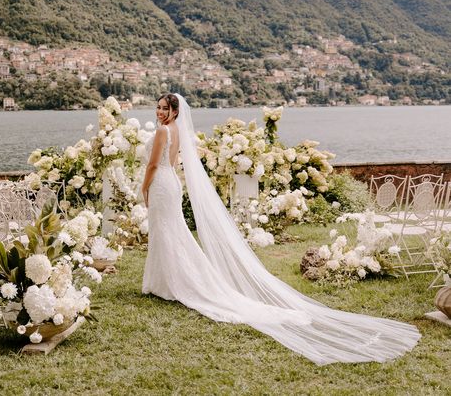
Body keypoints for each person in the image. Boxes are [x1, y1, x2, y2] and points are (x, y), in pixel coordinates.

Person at [140, 93, 420, 365]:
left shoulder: (164, 131)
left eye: (165, 108)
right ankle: (166, 281)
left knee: (168, 233)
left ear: (175, 111)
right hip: (171, 184)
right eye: (158, 107)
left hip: (161, 184)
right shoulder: (176, 129)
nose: (160, 112)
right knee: (172, 233)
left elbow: (154, 163)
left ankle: (171, 283)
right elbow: (173, 162)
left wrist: (144, 187)